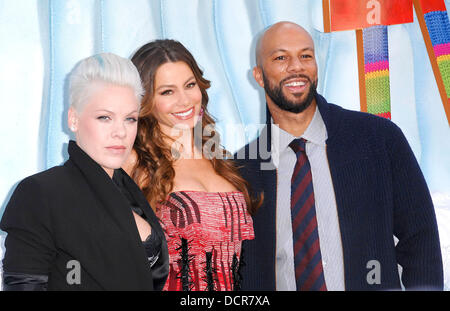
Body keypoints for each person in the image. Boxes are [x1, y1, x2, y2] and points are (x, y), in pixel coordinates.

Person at [235, 21, 443, 291]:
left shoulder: (379, 139)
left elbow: (420, 239)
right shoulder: (242, 169)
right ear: (259, 76)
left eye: (306, 55)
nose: (296, 66)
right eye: (281, 57)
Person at [0, 53, 168, 290]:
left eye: (130, 119)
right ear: (73, 119)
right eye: (105, 117)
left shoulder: (131, 190)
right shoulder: (40, 193)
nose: (120, 132)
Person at [124, 39, 261, 291]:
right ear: (145, 100)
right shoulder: (133, 161)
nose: (184, 100)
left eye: (190, 85)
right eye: (167, 91)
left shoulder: (220, 160)